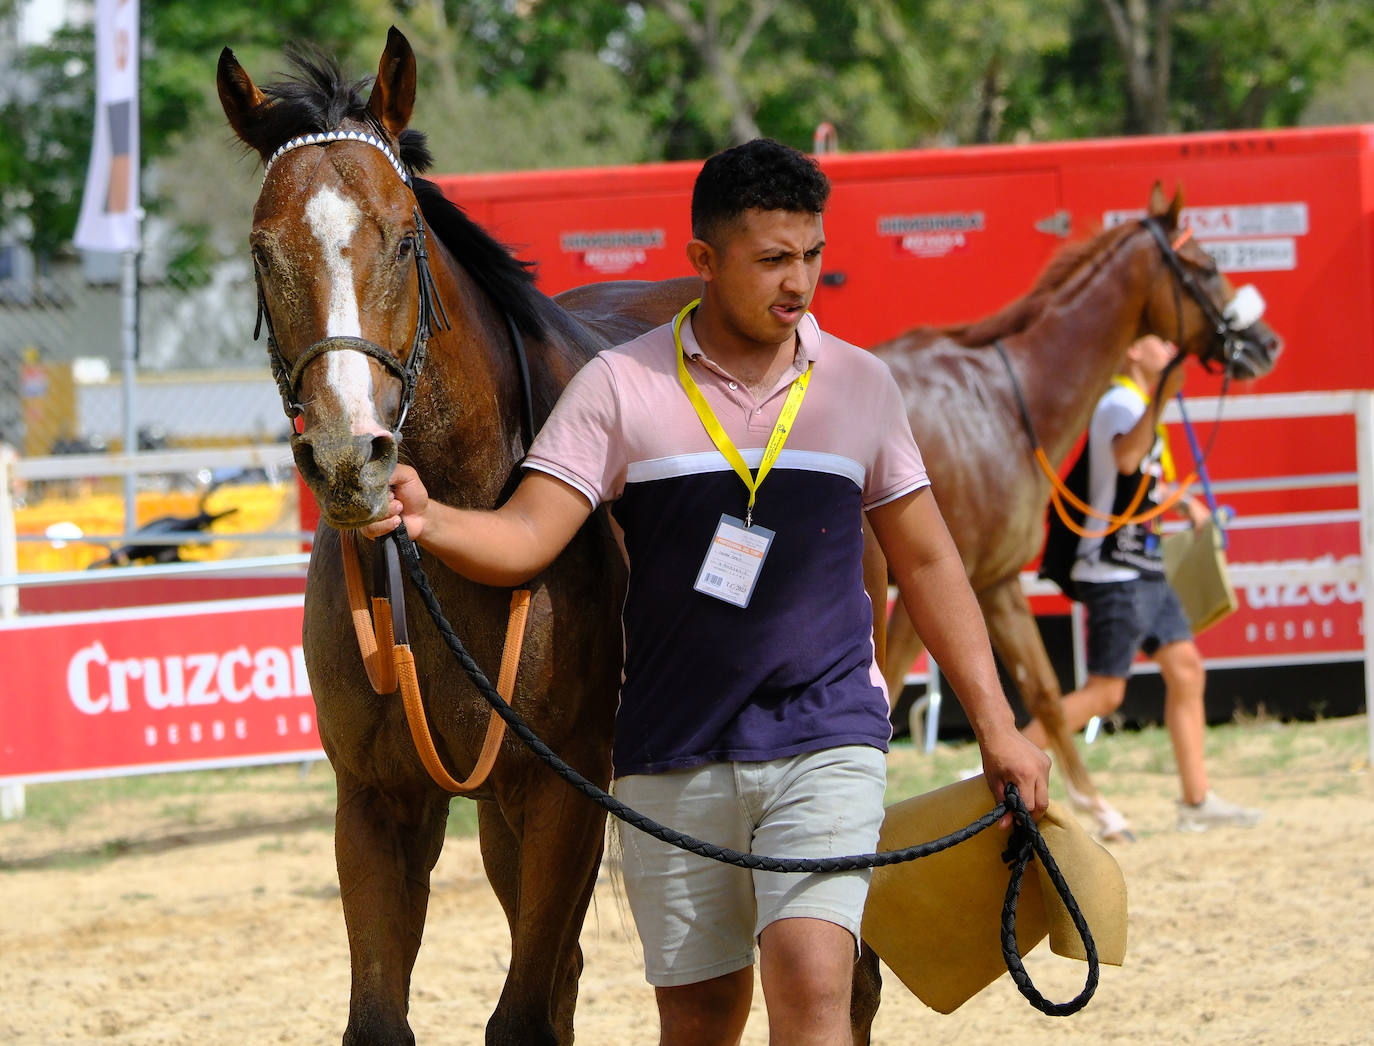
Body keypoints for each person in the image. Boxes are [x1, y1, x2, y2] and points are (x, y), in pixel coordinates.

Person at [363, 138, 1050, 1045]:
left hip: (826, 738)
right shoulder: (621, 385)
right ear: (705, 259)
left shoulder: (861, 385)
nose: (798, 282)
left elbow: (927, 563)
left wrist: (998, 727)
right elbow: (528, 534)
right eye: (772, 259)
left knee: (813, 987)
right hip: (671, 752)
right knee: (698, 1019)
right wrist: (429, 519)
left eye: (812, 254)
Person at [1028, 333, 1262, 833]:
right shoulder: (1119, 402)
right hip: (1114, 567)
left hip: (1145, 565)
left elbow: (1140, 479)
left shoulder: (1135, 403)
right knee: (1105, 694)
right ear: (1132, 350)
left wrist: (1183, 502)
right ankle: (1001, 762)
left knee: (1186, 670)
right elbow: (1127, 460)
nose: (1171, 346)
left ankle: (1197, 802)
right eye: (1158, 339)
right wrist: (1161, 399)